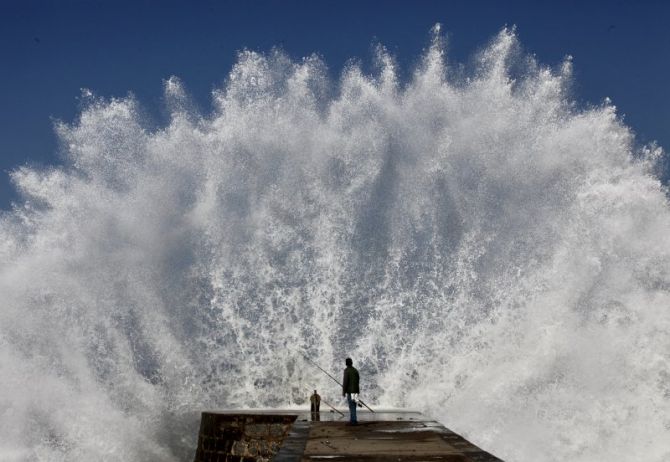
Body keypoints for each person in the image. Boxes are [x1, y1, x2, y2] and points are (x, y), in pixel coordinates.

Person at [342, 357, 360, 425]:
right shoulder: (355, 370)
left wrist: (343, 391)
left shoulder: (346, 370)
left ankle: (353, 421)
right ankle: (353, 419)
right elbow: (358, 380)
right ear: (351, 363)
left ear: (346, 363)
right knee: (354, 406)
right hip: (356, 390)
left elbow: (345, 382)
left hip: (350, 391)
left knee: (351, 406)